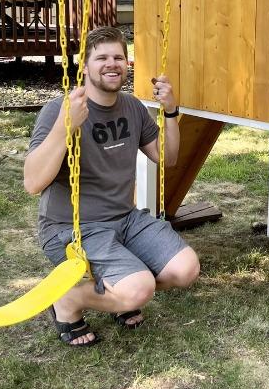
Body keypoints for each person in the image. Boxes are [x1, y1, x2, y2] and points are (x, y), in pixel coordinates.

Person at [24, 26, 199, 347]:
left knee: (185, 269)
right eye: (101, 57)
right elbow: (33, 182)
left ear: (127, 63)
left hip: (125, 219)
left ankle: (117, 291)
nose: (112, 63)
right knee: (139, 289)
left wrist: (171, 111)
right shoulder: (60, 110)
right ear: (85, 66)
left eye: (119, 57)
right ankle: (69, 302)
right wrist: (66, 128)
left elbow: (168, 158)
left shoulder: (132, 107)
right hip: (72, 229)